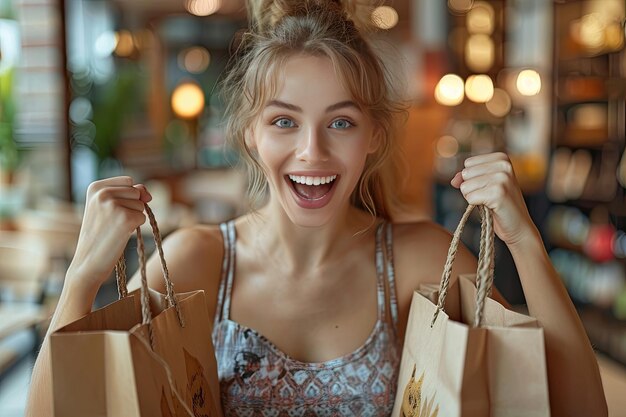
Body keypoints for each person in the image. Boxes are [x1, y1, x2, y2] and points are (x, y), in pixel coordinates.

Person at [27, 0, 607, 416]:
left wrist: (525, 242)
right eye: (284, 121)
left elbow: (577, 406)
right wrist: (83, 278)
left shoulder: (418, 259)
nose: (312, 151)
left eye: (341, 122)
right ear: (251, 134)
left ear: (374, 136)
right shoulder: (197, 262)